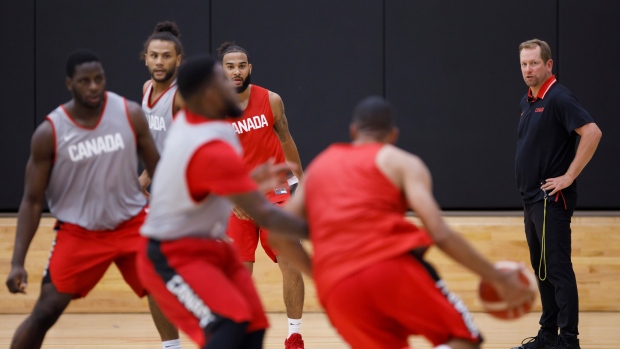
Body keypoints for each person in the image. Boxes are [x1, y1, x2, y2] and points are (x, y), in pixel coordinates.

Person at [268, 96, 535, 349]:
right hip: (389, 267)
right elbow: (439, 233)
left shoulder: (319, 168)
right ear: (393, 135)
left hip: (337, 288)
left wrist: (320, 275)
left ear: (352, 131)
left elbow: (278, 235)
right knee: (462, 339)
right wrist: (495, 276)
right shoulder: (401, 162)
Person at [4, 50, 175, 349]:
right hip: (81, 232)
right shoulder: (50, 132)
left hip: (132, 224)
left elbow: (158, 168)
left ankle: (173, 347)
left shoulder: (128, 113)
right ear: (70, 84)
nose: (94, 86)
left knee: (172, 290)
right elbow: (32, 201)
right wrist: (17, 262)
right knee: (46, 310)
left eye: (99, 79)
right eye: (85, 81)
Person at [137, 54, 308, 349]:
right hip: (171, 252)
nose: (232, 79)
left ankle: (293, 334)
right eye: (222, 76)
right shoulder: (199, 135)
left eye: (238, 68)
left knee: (254, 324)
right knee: (229, 326)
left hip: (211, 238)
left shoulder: (221, 127)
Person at [512, 39, 602, 349]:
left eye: (534, 63)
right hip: (531, 200)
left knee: (557, 267)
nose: (528, 69)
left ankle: (569, 340)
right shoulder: (527, 102)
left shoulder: (559, 97)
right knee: (542, 268)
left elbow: (592, 132)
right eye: (524, 64)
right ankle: (548, 334)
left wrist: (568, 176)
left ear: (549, 65)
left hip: (551, 201)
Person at [217, 41, 305, 348]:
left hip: (276, 192)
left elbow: (286, 139)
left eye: (242, 65)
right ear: (222, 70)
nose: (237, 71)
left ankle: (294, 334)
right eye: (230, 66)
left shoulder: (271, 100)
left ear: (250, 68)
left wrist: (301, 184)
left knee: (290, 260)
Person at [139, 21, 185, 199]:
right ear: (146, 58)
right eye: (154, 55)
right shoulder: (147, 88)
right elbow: (161, 145)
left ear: (178, 59)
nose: (159, 62)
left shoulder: (181, 96)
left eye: (166, 56)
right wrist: (144, 179)